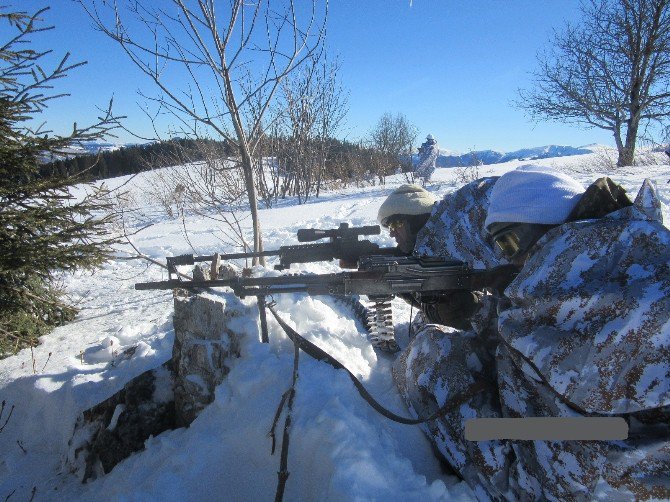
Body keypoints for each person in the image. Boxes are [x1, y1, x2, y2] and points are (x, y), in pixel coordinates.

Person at [482, 165, 669, 499]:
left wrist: (486, 317)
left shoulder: (538, 297)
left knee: (436, 359)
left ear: (538, 227)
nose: (509, 261)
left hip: (601, 480)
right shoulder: (652, 245)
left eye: (507, 243)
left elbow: (509, 340)